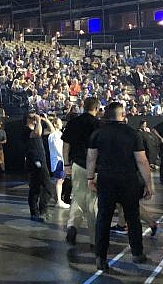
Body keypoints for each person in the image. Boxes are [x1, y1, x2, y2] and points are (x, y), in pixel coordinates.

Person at [87, 102, 153, 270]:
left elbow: (91, 158)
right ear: (123, 115)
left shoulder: (97, 133)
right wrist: (148, 184)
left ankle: (100, 258)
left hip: (106, 180)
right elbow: (142, 161)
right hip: (128, 180)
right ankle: (137, 254)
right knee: (133, 218)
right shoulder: (132, 134)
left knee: (103, 218)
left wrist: (90, 178)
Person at [61, 97, 100, 246]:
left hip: (77, 164)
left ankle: (72, 226)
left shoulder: (73, 122)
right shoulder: (98, 124)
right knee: (92, 202)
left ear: (83, 107)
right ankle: (94, 239)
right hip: (94, 167)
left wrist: (66, 164)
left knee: (77, 197)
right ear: (96, 109)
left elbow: (66, 145)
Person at [22, 112, 55, 222]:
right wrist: (39, 122)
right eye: (32, 117)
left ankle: (36, 213)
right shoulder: (26, 130)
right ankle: (42, 211)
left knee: (36, 187)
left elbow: (52, 131)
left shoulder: (37, 128)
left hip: (41, 159)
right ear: (27, 119)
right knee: (47, 186)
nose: (35, 118)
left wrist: (45, 120)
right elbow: (37, 134)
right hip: (35, 161)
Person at [48, 117, 69, 209]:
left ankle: (58, 199)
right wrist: (65, 157)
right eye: (59, 122)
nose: (61, 124)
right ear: (55, 124)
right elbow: (58, 149)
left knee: (61, 180)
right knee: (59, 180)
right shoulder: (55, 135)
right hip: (59, 160)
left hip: (60, 159)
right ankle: (59, 201)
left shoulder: (59, 134)